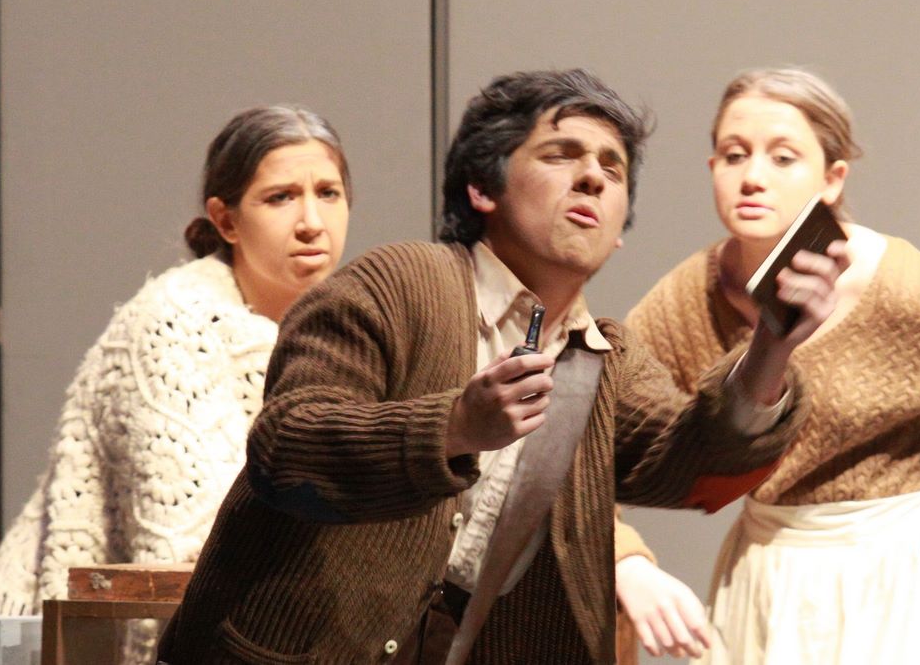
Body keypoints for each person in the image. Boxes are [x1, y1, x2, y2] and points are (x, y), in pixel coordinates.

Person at [156, 68, 843, 665]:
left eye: (613, 169)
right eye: (562, 154)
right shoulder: (396, 284)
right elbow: (286, 446)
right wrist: (455, 426)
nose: (593, 177)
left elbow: (694, 465)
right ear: (483, 188)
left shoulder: (603, 358)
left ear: (619, 230)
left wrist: (770, 348)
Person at [625, 67, 920, 664]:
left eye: (783, 158)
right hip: (767, 583)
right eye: (734, 155)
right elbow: (586, 438)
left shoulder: (904, 290)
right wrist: (626, 561)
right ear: (712, 168)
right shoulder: (690, 298)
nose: (753, 176)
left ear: (832, 179)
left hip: (903, 587)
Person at [0, 105, 352, 658]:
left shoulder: (344, 330)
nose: (312, 221)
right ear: (226, 220)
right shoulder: (173, 321)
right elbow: (186, 547)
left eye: (328, 193)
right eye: (280, 197)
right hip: (67, 639)